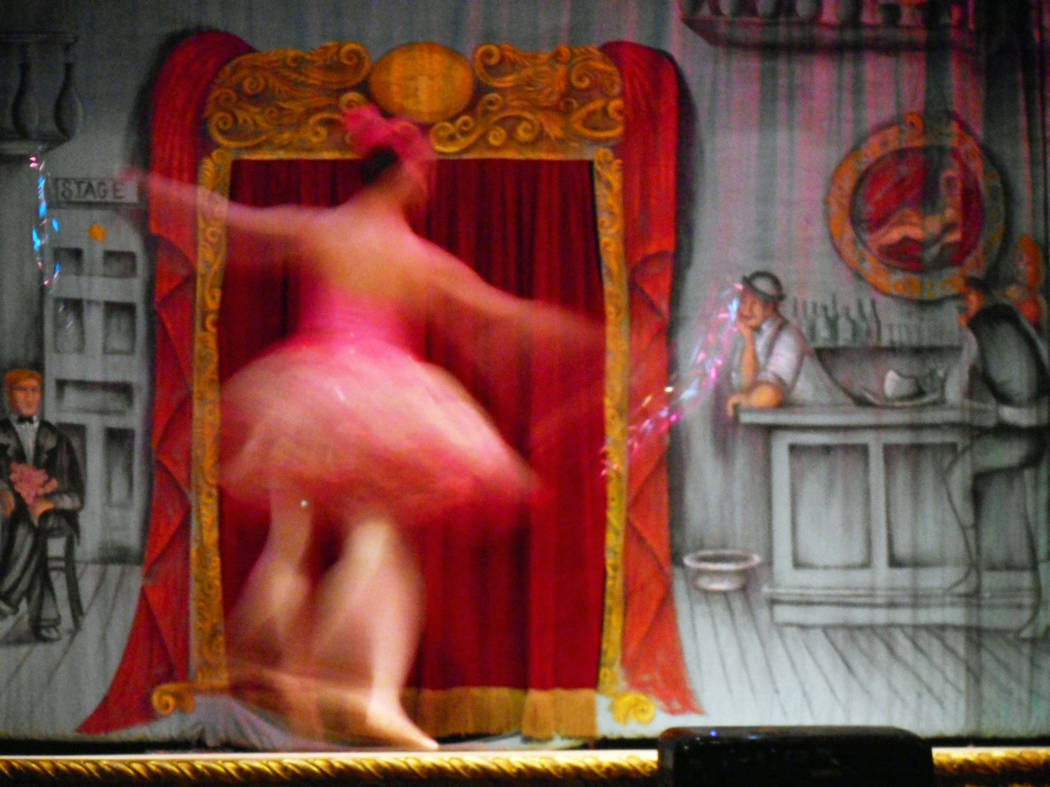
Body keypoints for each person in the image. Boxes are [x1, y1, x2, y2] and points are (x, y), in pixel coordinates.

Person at [144, 106, 599, 747]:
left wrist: (155, 190)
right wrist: (572, 332)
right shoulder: (410, 254)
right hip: (381, 398)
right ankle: (364, 689)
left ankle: (273, 659)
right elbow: (498, 316)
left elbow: (236, 222)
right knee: (376, 540)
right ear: (404, 175)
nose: (427, 182)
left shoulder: (325, 229)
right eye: (424, 172)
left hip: (306, 394)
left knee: (291, 536)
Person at [943, 276, 1050, 635]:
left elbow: (952, 394)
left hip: (1019, 434)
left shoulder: (975, 332)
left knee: (957, 475)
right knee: (1041, 520)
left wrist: (992, 412)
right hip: (1044, 428)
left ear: (976, 299)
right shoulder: (1014, 317)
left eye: (965, 302)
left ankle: (974, 573)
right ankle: (1045, 610)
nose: (962, 310)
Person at [0, 369, 84, 642]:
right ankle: (44, 619)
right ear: (7, 395)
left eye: (34, 391)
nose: (28, 397)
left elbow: (77, 495)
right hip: (6, 517)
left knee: (30, 524)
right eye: (21, 390)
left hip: (54, 514)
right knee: (25, 526)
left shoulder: (57, 439)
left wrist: (48, 502)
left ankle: (5, 597)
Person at [726, 270, 847, 417]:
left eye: (754, 303)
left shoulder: (789, 337)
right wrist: (749, 340)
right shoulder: (749, 335)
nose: (746, 309)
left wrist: (745, 400)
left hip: (831, 418)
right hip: (791, 420)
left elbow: (771, 394)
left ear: (771, 307)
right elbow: (748, 387)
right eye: (744, 301)